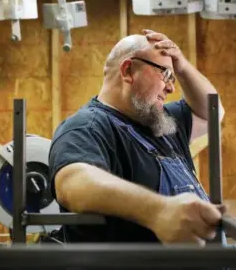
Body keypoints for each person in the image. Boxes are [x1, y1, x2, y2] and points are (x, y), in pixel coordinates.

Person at [48, 29, 226, 245]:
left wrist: (182, 66)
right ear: (128, 70)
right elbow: (72, 183)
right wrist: (159, 211)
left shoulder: (160, 122)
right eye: (166, 75)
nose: (171, 87)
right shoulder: (87, 126)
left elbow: (213, 112)